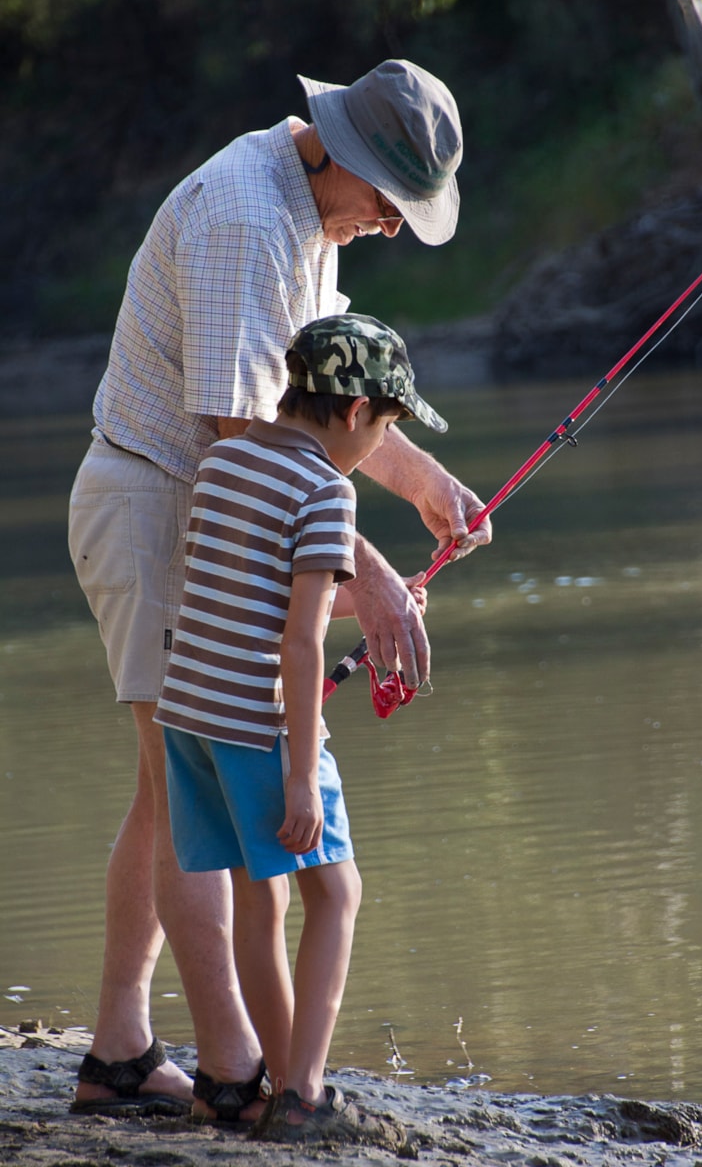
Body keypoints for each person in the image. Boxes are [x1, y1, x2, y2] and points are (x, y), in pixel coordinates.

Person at [67, 58, 491, 1119]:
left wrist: (426, 484)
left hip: (207, 510)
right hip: (156, 503)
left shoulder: (310, 215)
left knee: (165, 788)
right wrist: (369, 575)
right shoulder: (245, 222)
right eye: (390, 204)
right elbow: (240, 441)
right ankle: (232, 1071)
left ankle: (118, 1052)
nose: (389, 228)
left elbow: (321, 407)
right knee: (183, 794)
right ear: (342, 154)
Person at [154, 313, 443, 1139]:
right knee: (337, 893)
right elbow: (302, 642)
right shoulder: (326, 490)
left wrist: (376, 598)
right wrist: (301, 775)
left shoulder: (223, 460)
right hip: (259, 726)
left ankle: (283, 1085)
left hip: (192, 714)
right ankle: (307, 1094)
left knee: (263, 894)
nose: (376, 443)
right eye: (385, 426)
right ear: (355, 411)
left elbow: (255, 593)